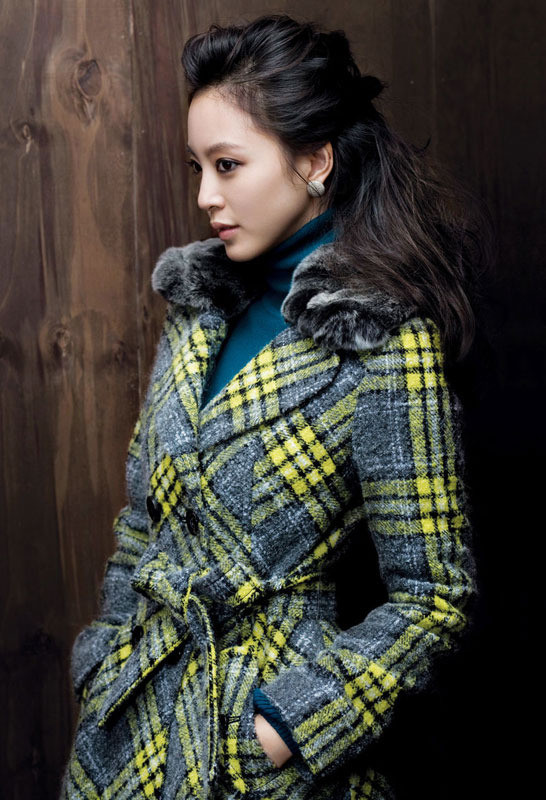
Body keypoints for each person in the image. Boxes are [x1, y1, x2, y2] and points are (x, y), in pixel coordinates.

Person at [60, 13, 489, 800]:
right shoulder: (198, 311)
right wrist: (105, 659)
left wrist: (288, 726)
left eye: (228, 165)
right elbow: (145, 522)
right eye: (197, 167)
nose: (205, 196)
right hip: (129, 734)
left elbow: (435, 598)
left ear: (316, 160)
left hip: (260, 755)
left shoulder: (383, 340)